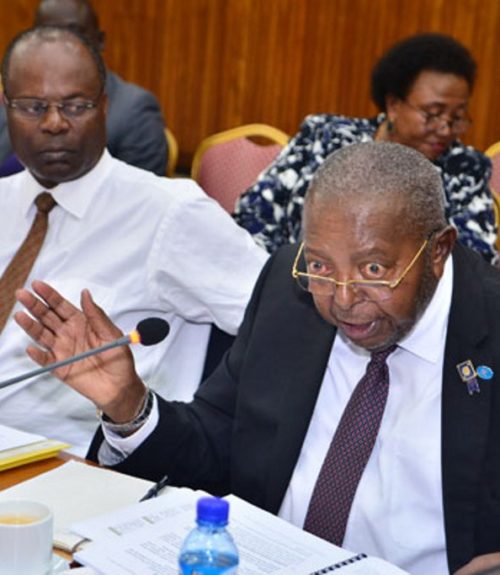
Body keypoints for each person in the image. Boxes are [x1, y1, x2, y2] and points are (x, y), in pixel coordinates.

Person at [15, 142, 500, 575]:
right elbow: (213, 446)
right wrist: (129, 405)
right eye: (320, 264)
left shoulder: (490, 327)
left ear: (438, 251)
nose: (342, 298)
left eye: (373, 268)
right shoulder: (289, 291)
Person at [0, 26, 267, 455]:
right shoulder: (3, 200)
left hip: (79, 462)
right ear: (7, 106)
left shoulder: (169, 213)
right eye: (33, 107)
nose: (54, 123)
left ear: (104, 107)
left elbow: (280, 319)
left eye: (76, 105)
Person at [234, 33, 498, 264]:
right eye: (432, 113)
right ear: (393, 105)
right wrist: (276, 279)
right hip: (295, 286)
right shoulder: (324, 137)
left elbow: (475, 259)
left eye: (457, 117)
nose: (445, 129)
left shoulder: (464, 169)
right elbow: (255, 214)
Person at [0, 0, 168, 176]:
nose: (61, 45)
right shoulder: (14, 99)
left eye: (74, 33)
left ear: (100, 41)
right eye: (49, 35)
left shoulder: (134, 109)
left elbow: (137, 188)